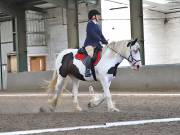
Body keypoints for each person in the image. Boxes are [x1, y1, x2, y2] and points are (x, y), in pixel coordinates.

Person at [84, 9, 108, 77]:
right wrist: (100, 39)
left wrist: (105, 41)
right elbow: (91, 33)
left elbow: (101, 35)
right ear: (93, 16)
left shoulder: (97, 25)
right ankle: (87, 70)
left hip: (97, 45)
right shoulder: (90, 24)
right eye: (98, 15)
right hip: (90, 44)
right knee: (91, 55)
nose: (99, 17)